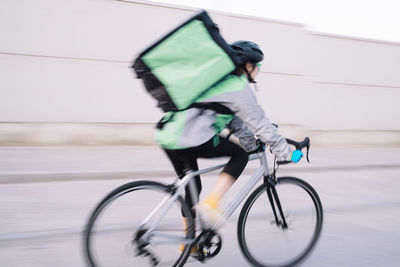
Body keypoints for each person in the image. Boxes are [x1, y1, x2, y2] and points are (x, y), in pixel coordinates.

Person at [155, 40, 303, 234]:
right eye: (257, 66)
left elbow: (232, 121)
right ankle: (212, 202)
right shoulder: (239, 87)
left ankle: (188, 244)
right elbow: (261, 124)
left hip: (169, 134)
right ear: (247, 65)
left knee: (192, 187)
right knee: (240, 156)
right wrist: (286, 153)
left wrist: (252, 143)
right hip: (190, 136)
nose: (258, 70)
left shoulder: (219, 81)